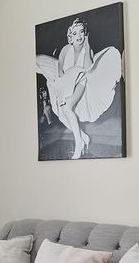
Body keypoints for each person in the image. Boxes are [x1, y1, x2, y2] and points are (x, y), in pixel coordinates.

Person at [36, 18, 122, 158]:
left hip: (81, 82)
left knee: (67, 108)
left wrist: (87, 45)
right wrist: (63, 87)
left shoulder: (88, 49)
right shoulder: (65, 50)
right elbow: (60, 71)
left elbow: (88, 68)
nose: (79, 36)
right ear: (70, 36)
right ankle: (83, 137)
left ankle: (78, 144)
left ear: (85, 33)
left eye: (82, 32)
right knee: (63, 115)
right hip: (66, 82)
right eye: (75, 33)